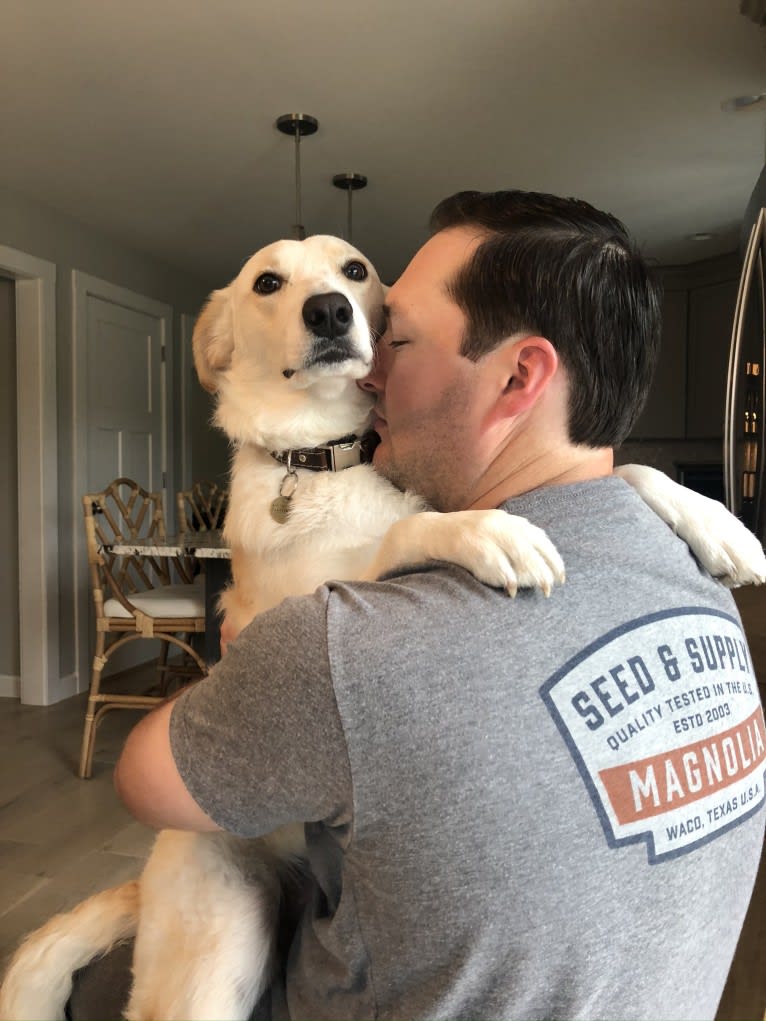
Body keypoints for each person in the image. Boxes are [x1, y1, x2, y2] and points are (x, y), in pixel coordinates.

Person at [72, 191, 765, 1020]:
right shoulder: (698, 574)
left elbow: (144, 777)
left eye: (395, 337)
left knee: (95, 989)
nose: (372, 363)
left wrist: (255, 658)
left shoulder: (351, 646)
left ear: (518, 376)